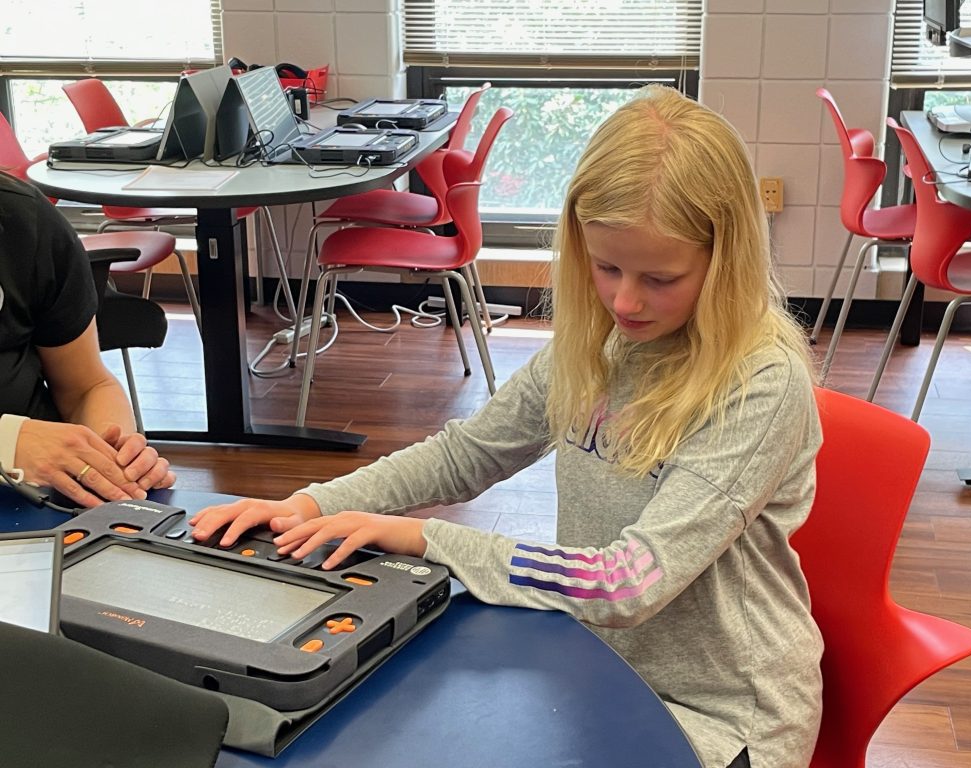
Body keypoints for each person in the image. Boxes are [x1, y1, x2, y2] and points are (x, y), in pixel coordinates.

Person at [192, 85, 823, 768]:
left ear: (724, 260)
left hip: (727, 720)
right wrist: (310, 505)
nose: (625, 300)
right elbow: (467, 454)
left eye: (660, 278)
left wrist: (429, 538)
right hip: (601, 668)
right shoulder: (601, 340)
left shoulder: (762, 382)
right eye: (606, 267)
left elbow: (626, 582)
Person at [0, 171, 174, 507]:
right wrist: (8, 444)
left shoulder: (22, 218)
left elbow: (86, 387)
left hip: (40, 498)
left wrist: (115, 459)